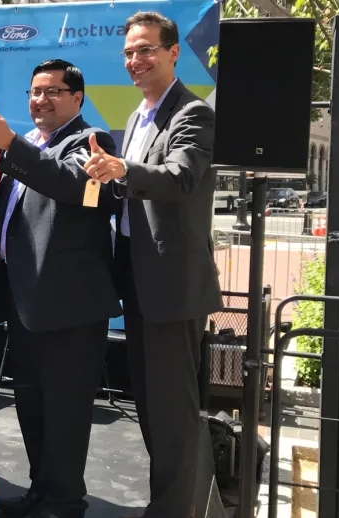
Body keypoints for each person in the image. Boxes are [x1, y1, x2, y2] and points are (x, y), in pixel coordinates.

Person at [84, 12, 223, 518]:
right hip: (140, 281)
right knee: (152, 411)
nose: (135, 60)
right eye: (129, 53)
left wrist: (123, 168)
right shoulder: (140, 115)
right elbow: (134, 190)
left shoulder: (192, 113)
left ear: (172, 53)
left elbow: (181, 177)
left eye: (145, 50)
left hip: (172, 287)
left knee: (174, 415)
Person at [0, 59, 122, 518]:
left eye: (53, 91)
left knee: (65, 411)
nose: (41, 100)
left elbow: (75, 187)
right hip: (27, 303)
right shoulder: (37, 145)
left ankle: (63, 501)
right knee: (33, 406)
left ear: (77, 98)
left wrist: (11, 145)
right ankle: (42, 490)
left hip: (69, 307)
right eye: (35, 92)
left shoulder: (90, 140)